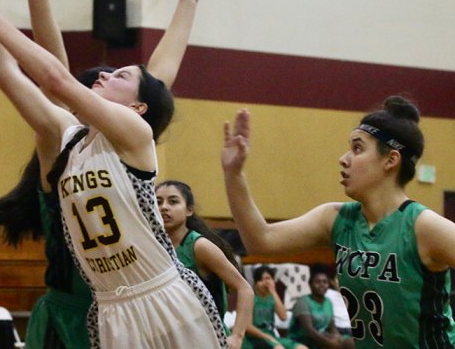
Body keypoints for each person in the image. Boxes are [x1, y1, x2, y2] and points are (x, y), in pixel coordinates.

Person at [0, 0, 227, 349]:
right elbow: (7, 73)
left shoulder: (135, 136)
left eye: (119, 75)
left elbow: (58, 80)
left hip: (161, 295)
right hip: (110, 306)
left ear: (137, 106)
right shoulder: (68, 140)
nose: (104, 77)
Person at [221, 96, 455, 348]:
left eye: (357, 148)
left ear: (391, 160)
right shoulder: (336, 219)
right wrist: (234, 175)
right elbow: (261, 240)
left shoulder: (423, 226)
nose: (343, 159)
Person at [155, 180, 254, 349]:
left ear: (189, 210)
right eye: (158, 202)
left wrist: (237, 336)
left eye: (173, 201)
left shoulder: (199, 246)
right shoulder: (153, 247)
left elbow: (244, 289)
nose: (164, 207)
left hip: (207, 339)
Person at [287, 266, 353, 349]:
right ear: (310, 284)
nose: (322, 285)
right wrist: (331, 343)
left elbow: (332, 327)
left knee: (349, 342)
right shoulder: (302, 302)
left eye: (325, 282)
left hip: (323, 336)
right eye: (317, 282)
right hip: (304, 339)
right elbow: (309, 330)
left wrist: (338, 338)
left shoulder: (328, 301)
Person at [243, 265, 307, 349]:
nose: (266, 282)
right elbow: (248, 327)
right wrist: (266, 336)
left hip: (272, 337)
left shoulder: (272, 299)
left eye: (268, 278)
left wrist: (273, 291)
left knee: (302, 347)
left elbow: (283, 317)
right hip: (255, 339)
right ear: (255, 283)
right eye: (261, 280)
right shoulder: (251, 299)